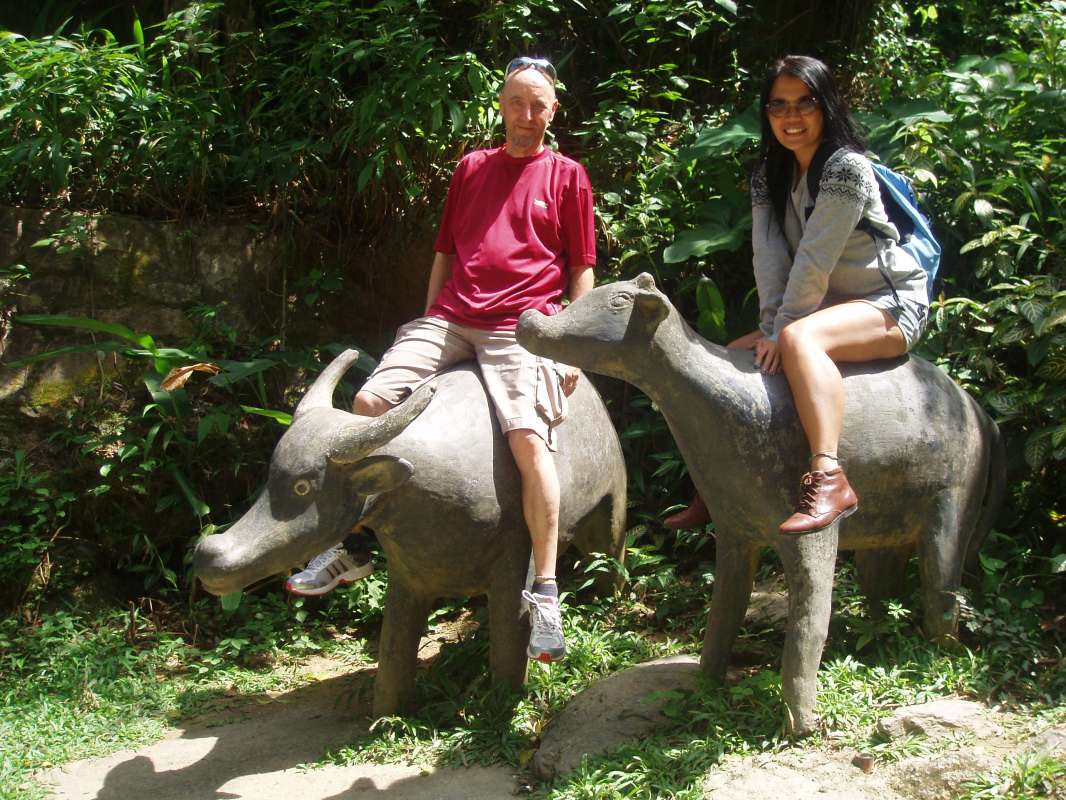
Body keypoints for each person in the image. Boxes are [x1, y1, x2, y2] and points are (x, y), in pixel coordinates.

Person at [285, 56, 596, 663]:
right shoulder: (472, 168)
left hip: (522, 325)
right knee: (367, 403)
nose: (526, 115)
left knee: (530, 443)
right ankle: (354, 546)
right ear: (500, 105)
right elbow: (445, 253)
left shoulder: (567, 175)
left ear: (553, 111)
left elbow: (581, 267)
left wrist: (571, 348)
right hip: (452, 317)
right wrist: (429, 323)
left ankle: (545, 590)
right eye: (516, 103)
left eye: (538, 105)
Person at [666, 55, 929, 534]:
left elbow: (814, 259)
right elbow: (768, 257)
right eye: (778, 105)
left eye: (804, 103)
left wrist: (784, 331)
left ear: (826, 106)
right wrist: (770, 327)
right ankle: (715, 484)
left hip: (889, 304)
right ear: (766, 112)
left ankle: (829, 476)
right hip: (826, 306)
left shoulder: (846, 168)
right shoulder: (768, 174)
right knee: (733, 356)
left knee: (798, 341)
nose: (791, 116)